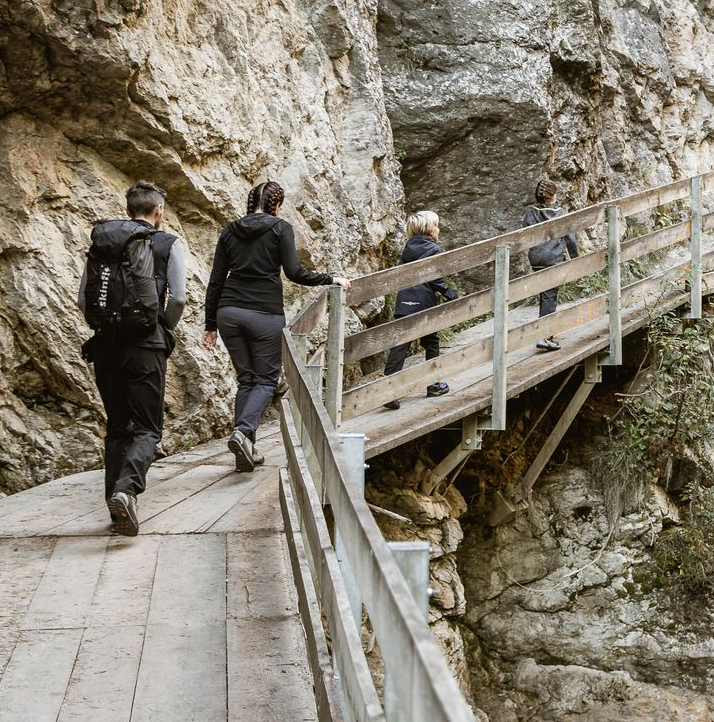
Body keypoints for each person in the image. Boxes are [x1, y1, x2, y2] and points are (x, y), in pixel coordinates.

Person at [203, 181, 348, 472]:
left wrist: (210, 325)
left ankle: (246, 449)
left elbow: (216, 279)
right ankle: (243, 433)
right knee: (266, 381)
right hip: (264, 312)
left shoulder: (230, 230)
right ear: (277, 205)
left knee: (246, 380)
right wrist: (331, 279)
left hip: (229, 312)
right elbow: (294, 272)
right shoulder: (280, 228)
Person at [78, 181, 188, 536]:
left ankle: (116, 507)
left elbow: (84, 300)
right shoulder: (167, 243)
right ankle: (126, 492)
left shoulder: (104, 244)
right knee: (147, 429)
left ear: (128, 211)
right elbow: (180, 299)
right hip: (146, 347)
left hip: (106, 346)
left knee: (117, 427)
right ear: (158, 212)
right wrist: (163, 327)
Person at [381, 211, 459, 410]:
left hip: (405, 302)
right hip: (424, 303)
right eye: (437, 226)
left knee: (400, 346)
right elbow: (434, 276)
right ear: (430, 230)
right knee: (431, 342)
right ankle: (433, 384)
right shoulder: (433, 249)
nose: (439, 229)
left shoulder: (408, 249)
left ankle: (387, 390)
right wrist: (449, 293)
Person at [523, 177, 577, 352]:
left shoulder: (530, 213)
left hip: (536, 259)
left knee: (544, 294)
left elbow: (525, 235)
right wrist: (576, 259)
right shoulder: (560, 213)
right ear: (552, 196)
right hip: (552, 259)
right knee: (550, 297)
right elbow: (570, 239)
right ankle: (545, 337)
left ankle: (545, 334)